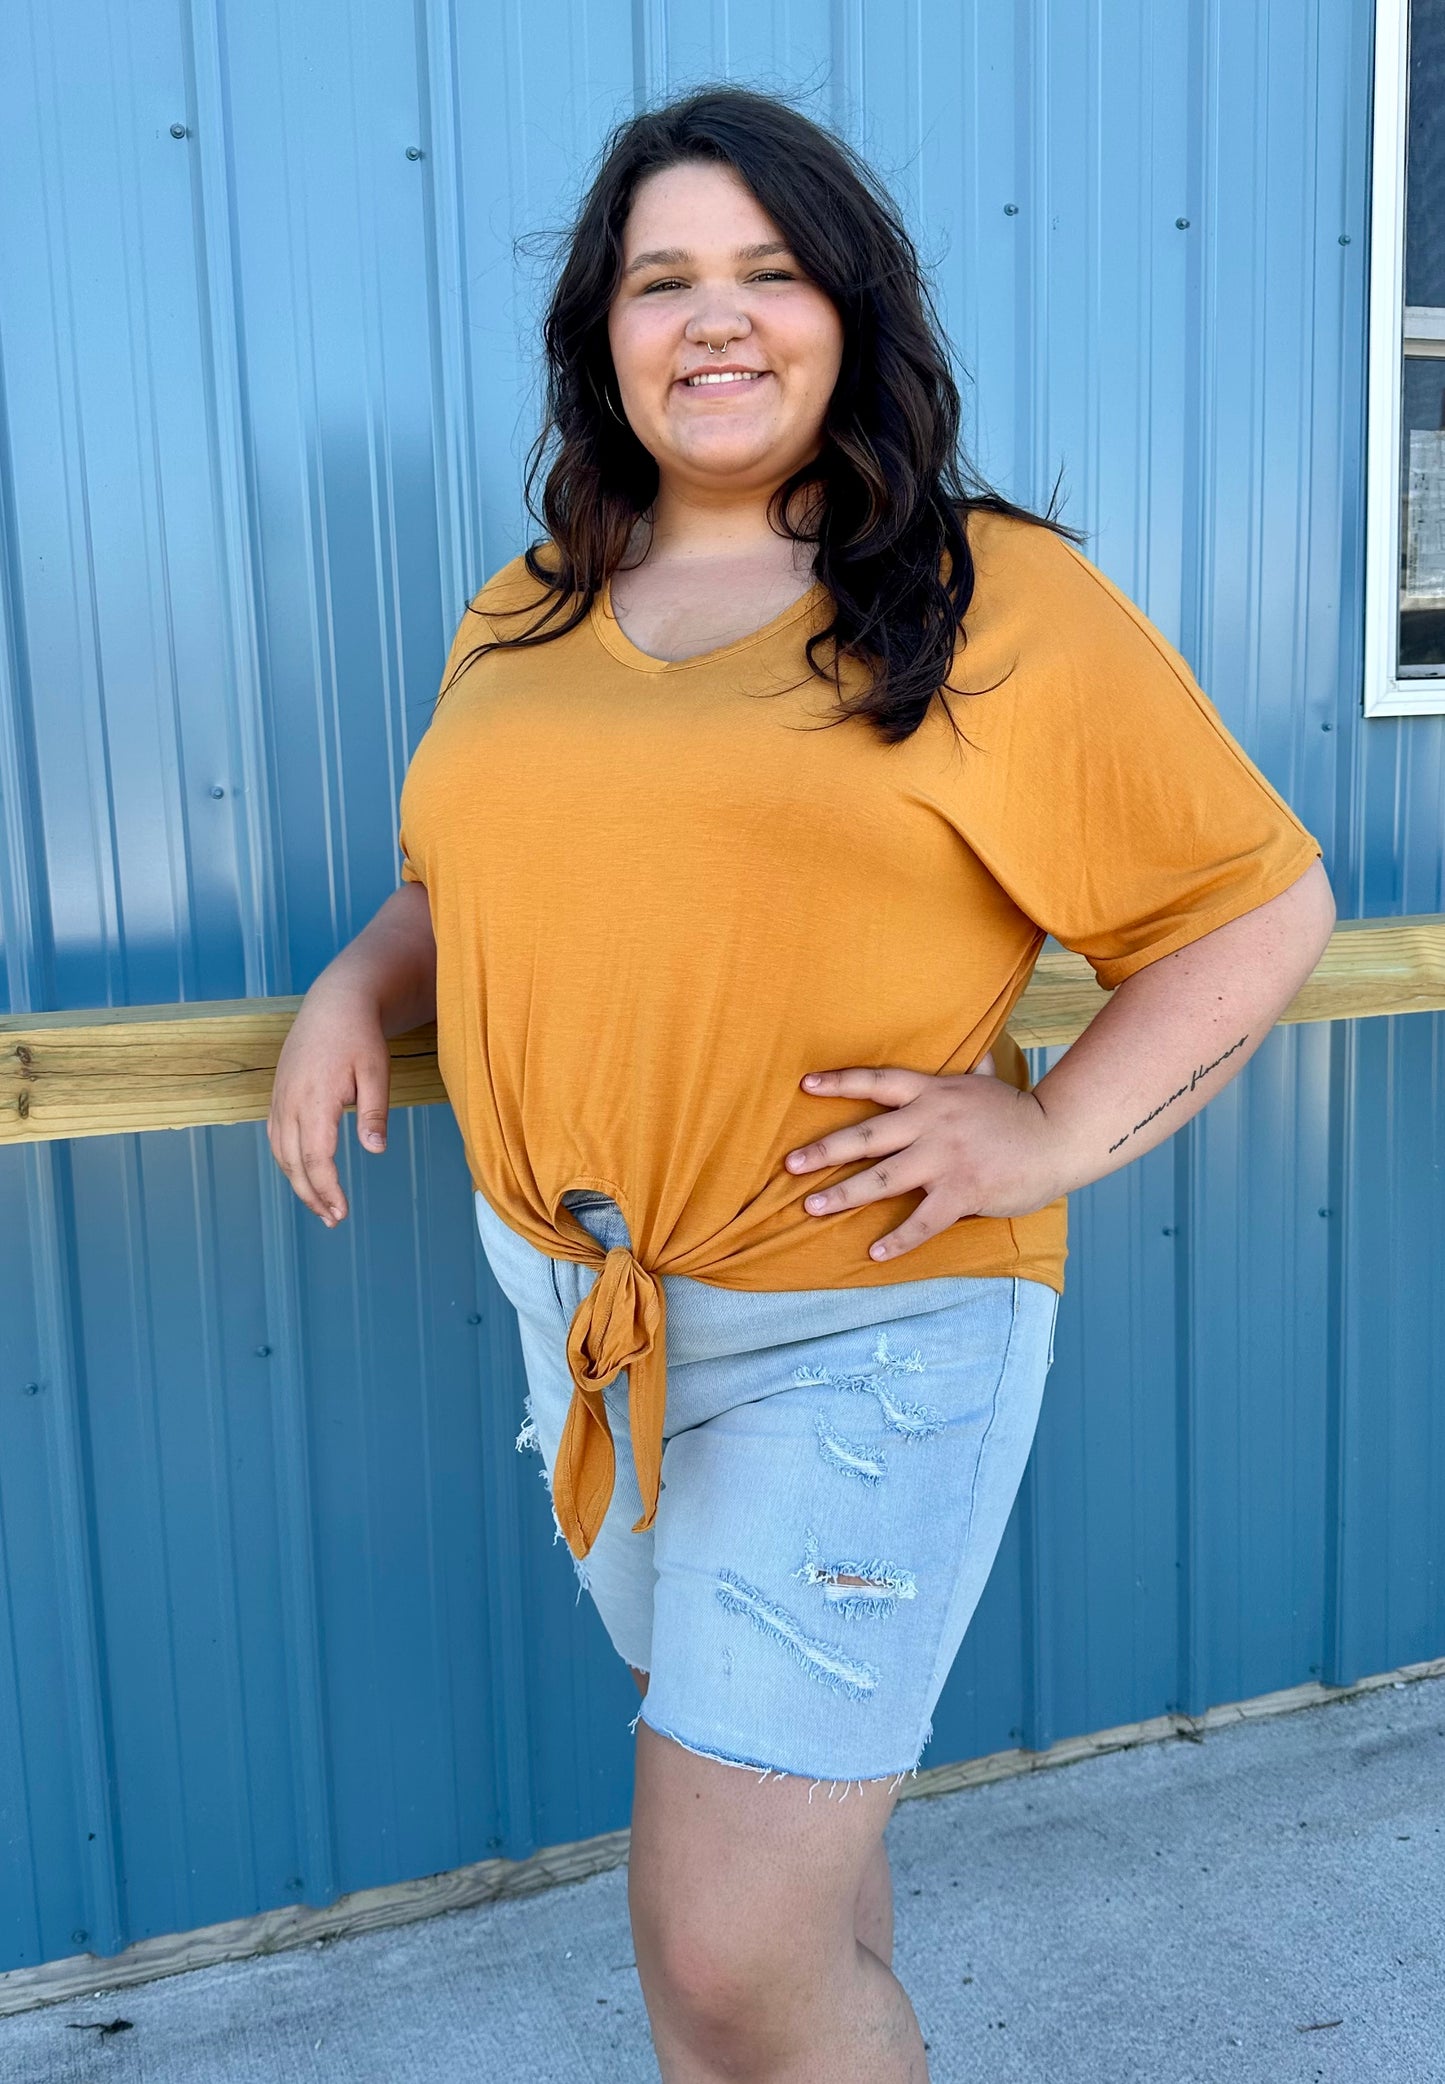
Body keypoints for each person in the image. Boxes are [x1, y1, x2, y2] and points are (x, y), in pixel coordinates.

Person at [268, 85, 1335, 2084]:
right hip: (587, 1312)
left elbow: (1253, 907)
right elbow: (463, 875)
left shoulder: (988, 598)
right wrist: (357, 978)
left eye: (768, 269)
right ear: (602, 334)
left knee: (728, 1951)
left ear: (850, 309)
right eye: (663, 278)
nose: (718, 315)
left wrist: (1051, 1127)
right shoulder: (531, 607)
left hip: (866, 1322)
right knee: (794, 1876)